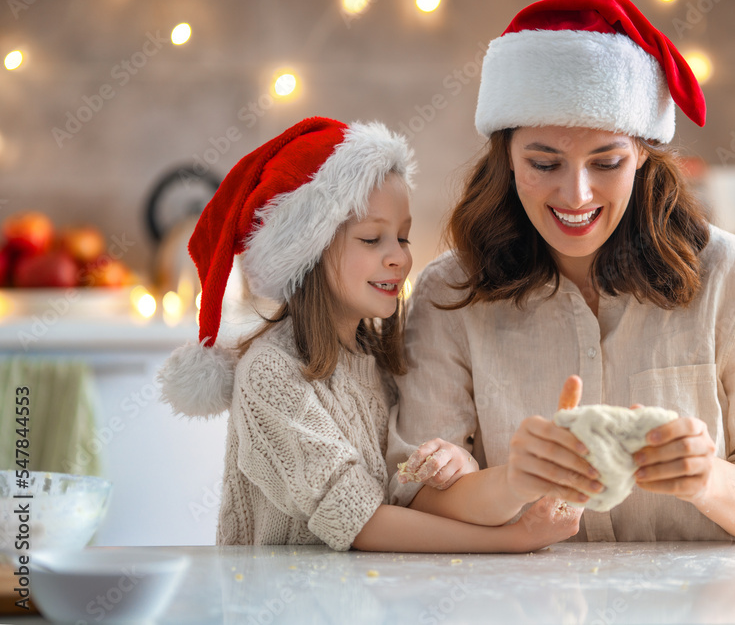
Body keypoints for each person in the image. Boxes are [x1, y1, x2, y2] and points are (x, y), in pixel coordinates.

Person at [387, 0, 735, 543]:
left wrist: (708, 479)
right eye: (544, 162)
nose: (576, 194)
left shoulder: (734, 277)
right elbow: (417, 495)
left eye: (606, 161)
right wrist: (515, 482)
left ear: (642, 151)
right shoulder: (451, 292)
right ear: (507, 156)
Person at [158, 117, 581, 552]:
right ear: (310, 250)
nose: (398, 257)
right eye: (372, 239)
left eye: (402, 237)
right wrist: (514, 538)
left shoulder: (377, 359)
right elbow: (362, 523)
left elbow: (404, 494)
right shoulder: (270, 373)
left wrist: (454, 464)